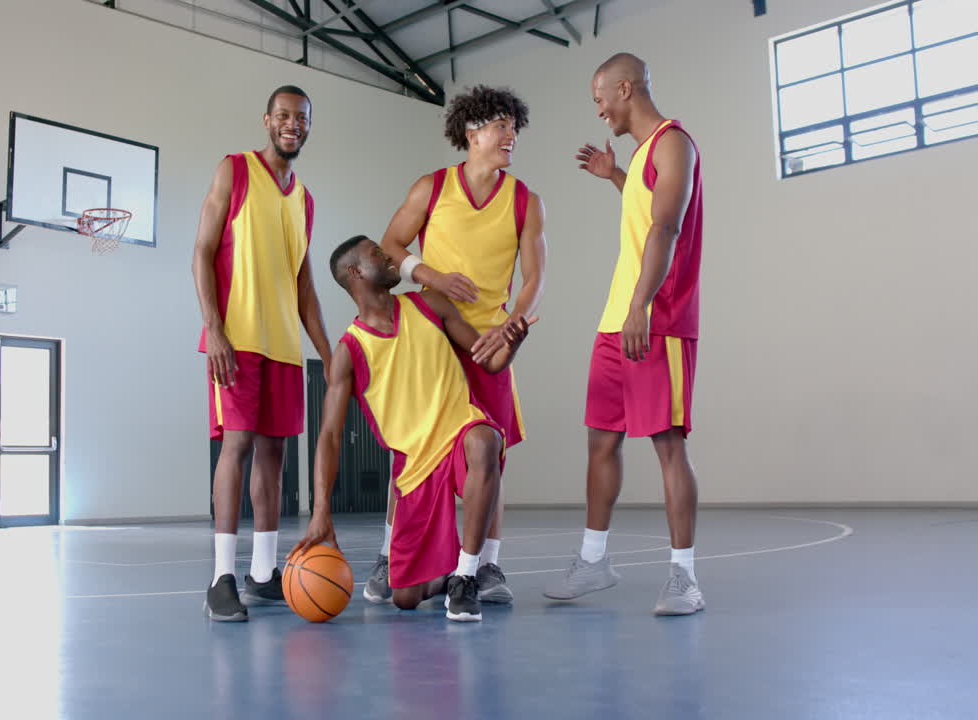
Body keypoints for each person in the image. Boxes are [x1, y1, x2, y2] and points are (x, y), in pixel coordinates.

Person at [293, 236, 534, 622]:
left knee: (485, 439)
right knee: (405, 598)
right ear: (355, 273)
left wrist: (512, 343)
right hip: (416, 467)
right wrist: (321, 510)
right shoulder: (349, 352)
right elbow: (330, 437)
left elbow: (489, 362)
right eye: (376, 254)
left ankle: (466, 577)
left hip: (459, 432)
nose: (388, 257)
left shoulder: (431, 304)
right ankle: (449, 573)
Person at [369, 85, 547, 605]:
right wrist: (431, 276)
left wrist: (511, 325)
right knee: (412, 452)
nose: (511, 135)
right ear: (472, 132)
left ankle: (486, 567)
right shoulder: (432, 187)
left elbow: (535, 276)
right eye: (501, 125)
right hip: (432, 339)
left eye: (514, 126)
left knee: (493, 457)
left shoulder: (525, 201)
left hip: (488, 344)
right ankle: (389, 556)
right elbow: (388, 246)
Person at [543, 53, 705, 615]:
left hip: (657, 319)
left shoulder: (673, 143)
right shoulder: (639, 158)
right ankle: (594, 561)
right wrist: (615, 176)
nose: (599, 111)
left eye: (600, 99)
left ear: (625, 88)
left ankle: (684, 579)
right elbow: (644, 216)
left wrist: (642, 305)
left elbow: (666, 226)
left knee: (668, 446)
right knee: (601, 441)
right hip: (617, 320)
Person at [192, 85, 331, 622]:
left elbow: (304, 285)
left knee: (275, 458)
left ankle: (262, 574)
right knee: (238, 446)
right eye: (284, 115)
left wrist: (329, 354)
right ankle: (221, 578)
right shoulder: (234, 169)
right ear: (267, 120)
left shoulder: (305, 200)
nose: (293, 124)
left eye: (302, 117)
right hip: (237, 339)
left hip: (284, 347)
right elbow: (202, 251)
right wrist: (214, 328)